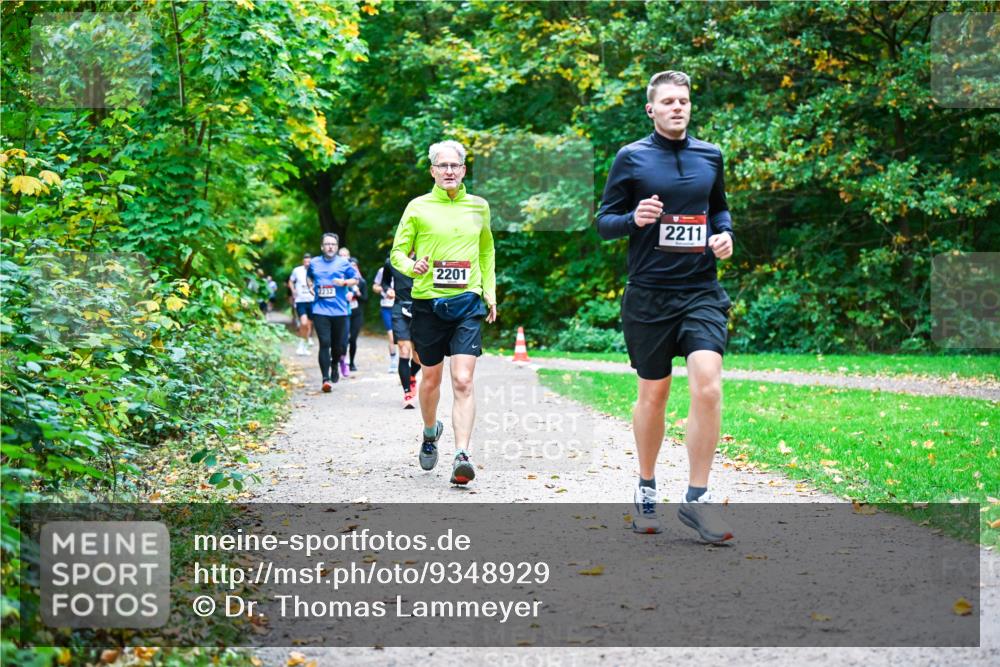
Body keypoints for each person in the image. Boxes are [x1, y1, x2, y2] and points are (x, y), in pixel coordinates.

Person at [595, 70, 735, 542]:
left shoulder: (710, 155)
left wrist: (725, 235)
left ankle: (697, 498)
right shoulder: (631, 158)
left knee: (709, 386)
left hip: (700, 291)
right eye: (669, 101)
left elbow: (719, 209)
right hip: (649, 295)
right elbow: (603, 222)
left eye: (685, 100)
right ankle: (647, 485)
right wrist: (634, 218)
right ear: (651, 109)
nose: (678, 107)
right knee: (653, 395)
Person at [391, 140, 497, 486]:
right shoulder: (418, 207)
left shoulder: (479, 207)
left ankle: (462, 454)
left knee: (463, 380)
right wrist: (413, 264)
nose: (449, 171)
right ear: (432, 170)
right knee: (431, 379)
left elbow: (486, 252)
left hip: (467, 302)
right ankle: (428, 430)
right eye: (443, 166)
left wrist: (489, 293)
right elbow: (397, 254)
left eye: (455, 166)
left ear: (464, 170)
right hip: (428, 303)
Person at [307, 233, 359, 392]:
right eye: (327, 244)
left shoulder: (344, 263)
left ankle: (335, 363)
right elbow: (309, 277)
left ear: (336, 247)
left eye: (333, 244)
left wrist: (344, 282)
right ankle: (325, 379)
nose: (330, 247)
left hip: (340, 310)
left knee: (339, 346)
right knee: (324, 343)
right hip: (320, 309)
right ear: (322, 246)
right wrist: (310, 286)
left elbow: (355, 279)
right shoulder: (314, 263)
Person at [381, 251, 420, 409]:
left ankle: (411, 376)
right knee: (404, 350)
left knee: (419, 357)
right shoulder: (391, 261)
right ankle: (407, 393)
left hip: (420, 308)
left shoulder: (425, 257)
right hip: (399, 307)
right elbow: (385, 282)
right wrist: (388, 290)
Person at [371, 260, 398, 373]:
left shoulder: (405, 268)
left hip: (400, 306)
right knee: (391, 335)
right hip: (386, 306)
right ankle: (393, 361)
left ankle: (407, 360)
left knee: (406, 336)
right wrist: (385, 289)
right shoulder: (382, 271)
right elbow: (375, 286)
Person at [288, 254, 314, 355]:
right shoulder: (297, 270)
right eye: (305, 262)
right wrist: (293, 290)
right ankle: (301, 344)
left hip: (312, 300)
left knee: (308, 325)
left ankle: (304, 345)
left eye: (309, 262)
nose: (307, 264)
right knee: (303, 323)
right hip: (300, 301)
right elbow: (291, 281)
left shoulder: (315, 271)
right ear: (303, 262)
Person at [346, 258, 367, 372]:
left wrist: (358, 294)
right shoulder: (344, 281)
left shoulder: (362, 282)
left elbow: (365, 298)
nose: (353, 267)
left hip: (357, 314)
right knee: (343, 339)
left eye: (355, 265)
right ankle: (341, 360)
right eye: (350, 266)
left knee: (352, 339)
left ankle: (352, 362)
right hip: (345, 313)